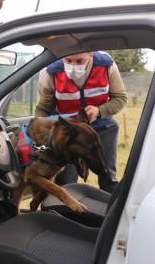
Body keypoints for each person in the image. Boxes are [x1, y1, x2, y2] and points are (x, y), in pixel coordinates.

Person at [35, 51, 127, 194]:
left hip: (102, 128)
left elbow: (120, 98)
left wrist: (99, 110)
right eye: (68, 60)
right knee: (65, 183)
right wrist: (40, 135)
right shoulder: (49, 72)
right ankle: (61, 214)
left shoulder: (106, 65)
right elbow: (44, 108)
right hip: (69, 135)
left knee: (108, 177)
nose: (73, 65)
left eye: (79, 61)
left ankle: (112, 213)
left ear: (91, 54)